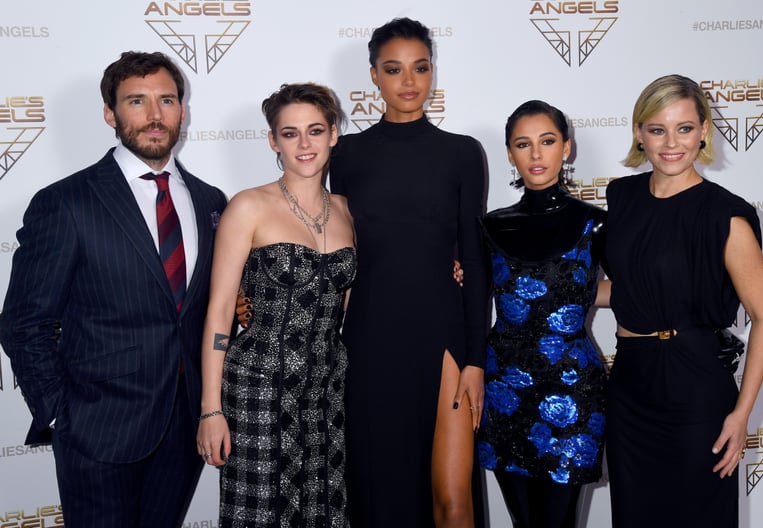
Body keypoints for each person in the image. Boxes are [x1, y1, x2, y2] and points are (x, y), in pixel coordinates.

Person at [0, 51, 227, 527]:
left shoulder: (210, 200)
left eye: (167, 100)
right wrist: (63, 416)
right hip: (97, 432)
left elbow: (206, 312)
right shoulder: (66, 202)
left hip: (184, 429)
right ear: (110, 113)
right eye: (136, 101)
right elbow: (24, 322)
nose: (154, 114)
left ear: (182, 110)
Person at [330, 17, 489, 528]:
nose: (409, 82)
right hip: (370, 339)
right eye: (394, 69)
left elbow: (475, 258)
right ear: (373, 75)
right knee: (381, 493)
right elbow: (329, 244)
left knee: (454, 499)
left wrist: (476, 360)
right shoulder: (347, 153)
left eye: (420, 68)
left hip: (443, 337)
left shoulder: (462, 153)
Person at [604, 74, 763, 527]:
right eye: (657, 129)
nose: (670, 143)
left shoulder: (725, 215)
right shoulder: (621, 197)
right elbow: (623, 289)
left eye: (684, 128)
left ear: (704, 130)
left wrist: (742, 414)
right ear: (639, 132)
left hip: (695, 389)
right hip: (629, 385)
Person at [196, 83, 355, 527]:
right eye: (290, 133)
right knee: (262, 515)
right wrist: (211, 409)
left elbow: (351, 302)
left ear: (333, 135)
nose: (304, 144)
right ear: (273, 141)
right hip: (258, 387)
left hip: (327, 390)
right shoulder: (248, 206)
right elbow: (220, 310)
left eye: (315, 131)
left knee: (324, 510)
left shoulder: (345, 210)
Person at [476, 100, 608, 528]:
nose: (536, 154)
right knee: (523, 522)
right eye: (523, 144)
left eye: (547, 141)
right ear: (510, 153)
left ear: (566, 148)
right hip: (502, 393)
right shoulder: (490, 227)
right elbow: (466, 296)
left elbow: (636, 289)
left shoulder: (597, 223)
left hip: (573, 391)